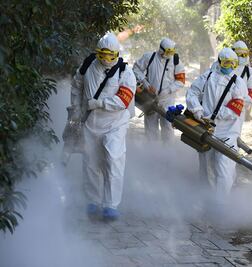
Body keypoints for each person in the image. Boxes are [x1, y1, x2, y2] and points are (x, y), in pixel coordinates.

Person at [69, 32, 136, 220]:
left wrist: (100, 103)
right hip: (91, 121)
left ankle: (111, 205)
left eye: (110, 56)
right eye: (102, 55)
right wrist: (75, 108)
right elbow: (76, 85)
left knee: (113, 159)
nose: (106, 60)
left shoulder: (125, 72)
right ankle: (93, 201)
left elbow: (124, 99)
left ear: (116, 54)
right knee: (90, 161)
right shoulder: (88, 64)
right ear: (97, 53)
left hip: (115, 122)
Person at [186, 48, 247, 201]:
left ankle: (221, 206)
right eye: (226, 62)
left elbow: (235, 108)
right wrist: (197, 110)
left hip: (227, 133)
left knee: (224, 170)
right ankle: (207, 203)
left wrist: (217, 115)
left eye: (233, 63)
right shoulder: (207, 77)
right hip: (206, 130)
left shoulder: (238, 83)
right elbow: (192, 93)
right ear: (219, 62)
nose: (229, 66)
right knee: (206, 170)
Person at [133, 38, 185, 142]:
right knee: (150, 128)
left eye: (171, 52)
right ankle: (152, 153)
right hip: (150, 99)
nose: (169, 54)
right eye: (167, 52)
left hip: (167, 100)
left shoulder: (176, 61)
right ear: (161, 50)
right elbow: (135, 69)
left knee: (167, 127)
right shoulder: (149, 57)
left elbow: (181, 81)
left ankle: (167, 153)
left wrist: (168, 90)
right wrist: (145, 83)